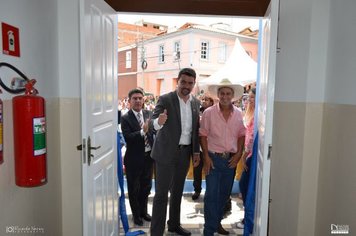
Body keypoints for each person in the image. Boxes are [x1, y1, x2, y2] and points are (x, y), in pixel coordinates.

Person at [150, 68, 201, 236]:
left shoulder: (195, 102)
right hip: (165, 154)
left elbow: (195, 130)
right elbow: (152, 123)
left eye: (190, 83)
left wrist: (195, 152)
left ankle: (173, 225)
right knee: (161, 195)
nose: (186, 85)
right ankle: (156, 232)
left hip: (184, 154)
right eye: (183, 82)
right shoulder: (166, 99)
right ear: (177, 81)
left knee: (178, 192)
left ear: (194, 84)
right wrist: (159, 121)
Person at [200, 78, 245, 236]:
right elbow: (203, 135)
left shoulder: (239, 114)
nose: (225, 96)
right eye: (222, 93)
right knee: (211, 195)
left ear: (232, 96)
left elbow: (241, 135)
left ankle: (216, 222)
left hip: (230, 161)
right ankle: (209, 230)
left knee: (224, 195)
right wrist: (206, 156)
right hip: (212, 158)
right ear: (218, 95)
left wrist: (239, 154)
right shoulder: (208, 113)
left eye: (228, 93)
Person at [121, 88, 155, 226]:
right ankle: (136, 215)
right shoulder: (125, 118)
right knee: (134, 189)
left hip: (148, 157)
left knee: (146, 187)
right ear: (129, 101)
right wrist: (142, 131)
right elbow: (128, 138)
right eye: (134, 98)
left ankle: (143, 212)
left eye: (140, 98)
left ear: (143, 100)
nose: (138, 101)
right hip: (134, 159)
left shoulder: (148, 114)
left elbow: (153, 132)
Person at [236, 87, 256, 229]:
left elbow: (252, 138)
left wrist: (244, 154)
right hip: (248, 153)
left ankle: (249, 218)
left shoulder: (259, 114)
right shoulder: (250, 112)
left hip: (252, 155)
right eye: (249, 97)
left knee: (245, 185)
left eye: (253, 97)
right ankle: (248, 216)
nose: (250, 100)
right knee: (245, 186)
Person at [192, 94, 214, 201]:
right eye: (203, 99)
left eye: (207, 100)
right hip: (198, 147)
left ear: (211, 102)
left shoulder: (215, 113)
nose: (204, 101)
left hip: (211, 147)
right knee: (197, 170)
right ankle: (197, 190)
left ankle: (210, 191)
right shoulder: (198, 112)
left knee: (209, 170)